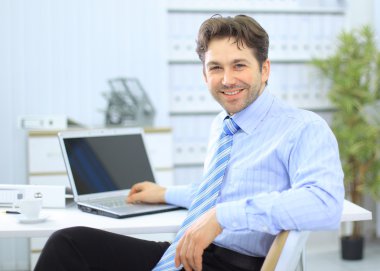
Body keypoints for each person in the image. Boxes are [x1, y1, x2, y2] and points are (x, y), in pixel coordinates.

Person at [34, 14, 344, 271]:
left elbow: (325, 203)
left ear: (264, 69)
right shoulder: (221, 127)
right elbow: (223, 190)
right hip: (192, 254)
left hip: (235, 265)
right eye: (215, 68)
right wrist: (165, 193)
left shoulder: (302, 128)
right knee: (68, 244)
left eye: (239, 65)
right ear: (204, 74)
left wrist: (223, 216)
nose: (227, 79)